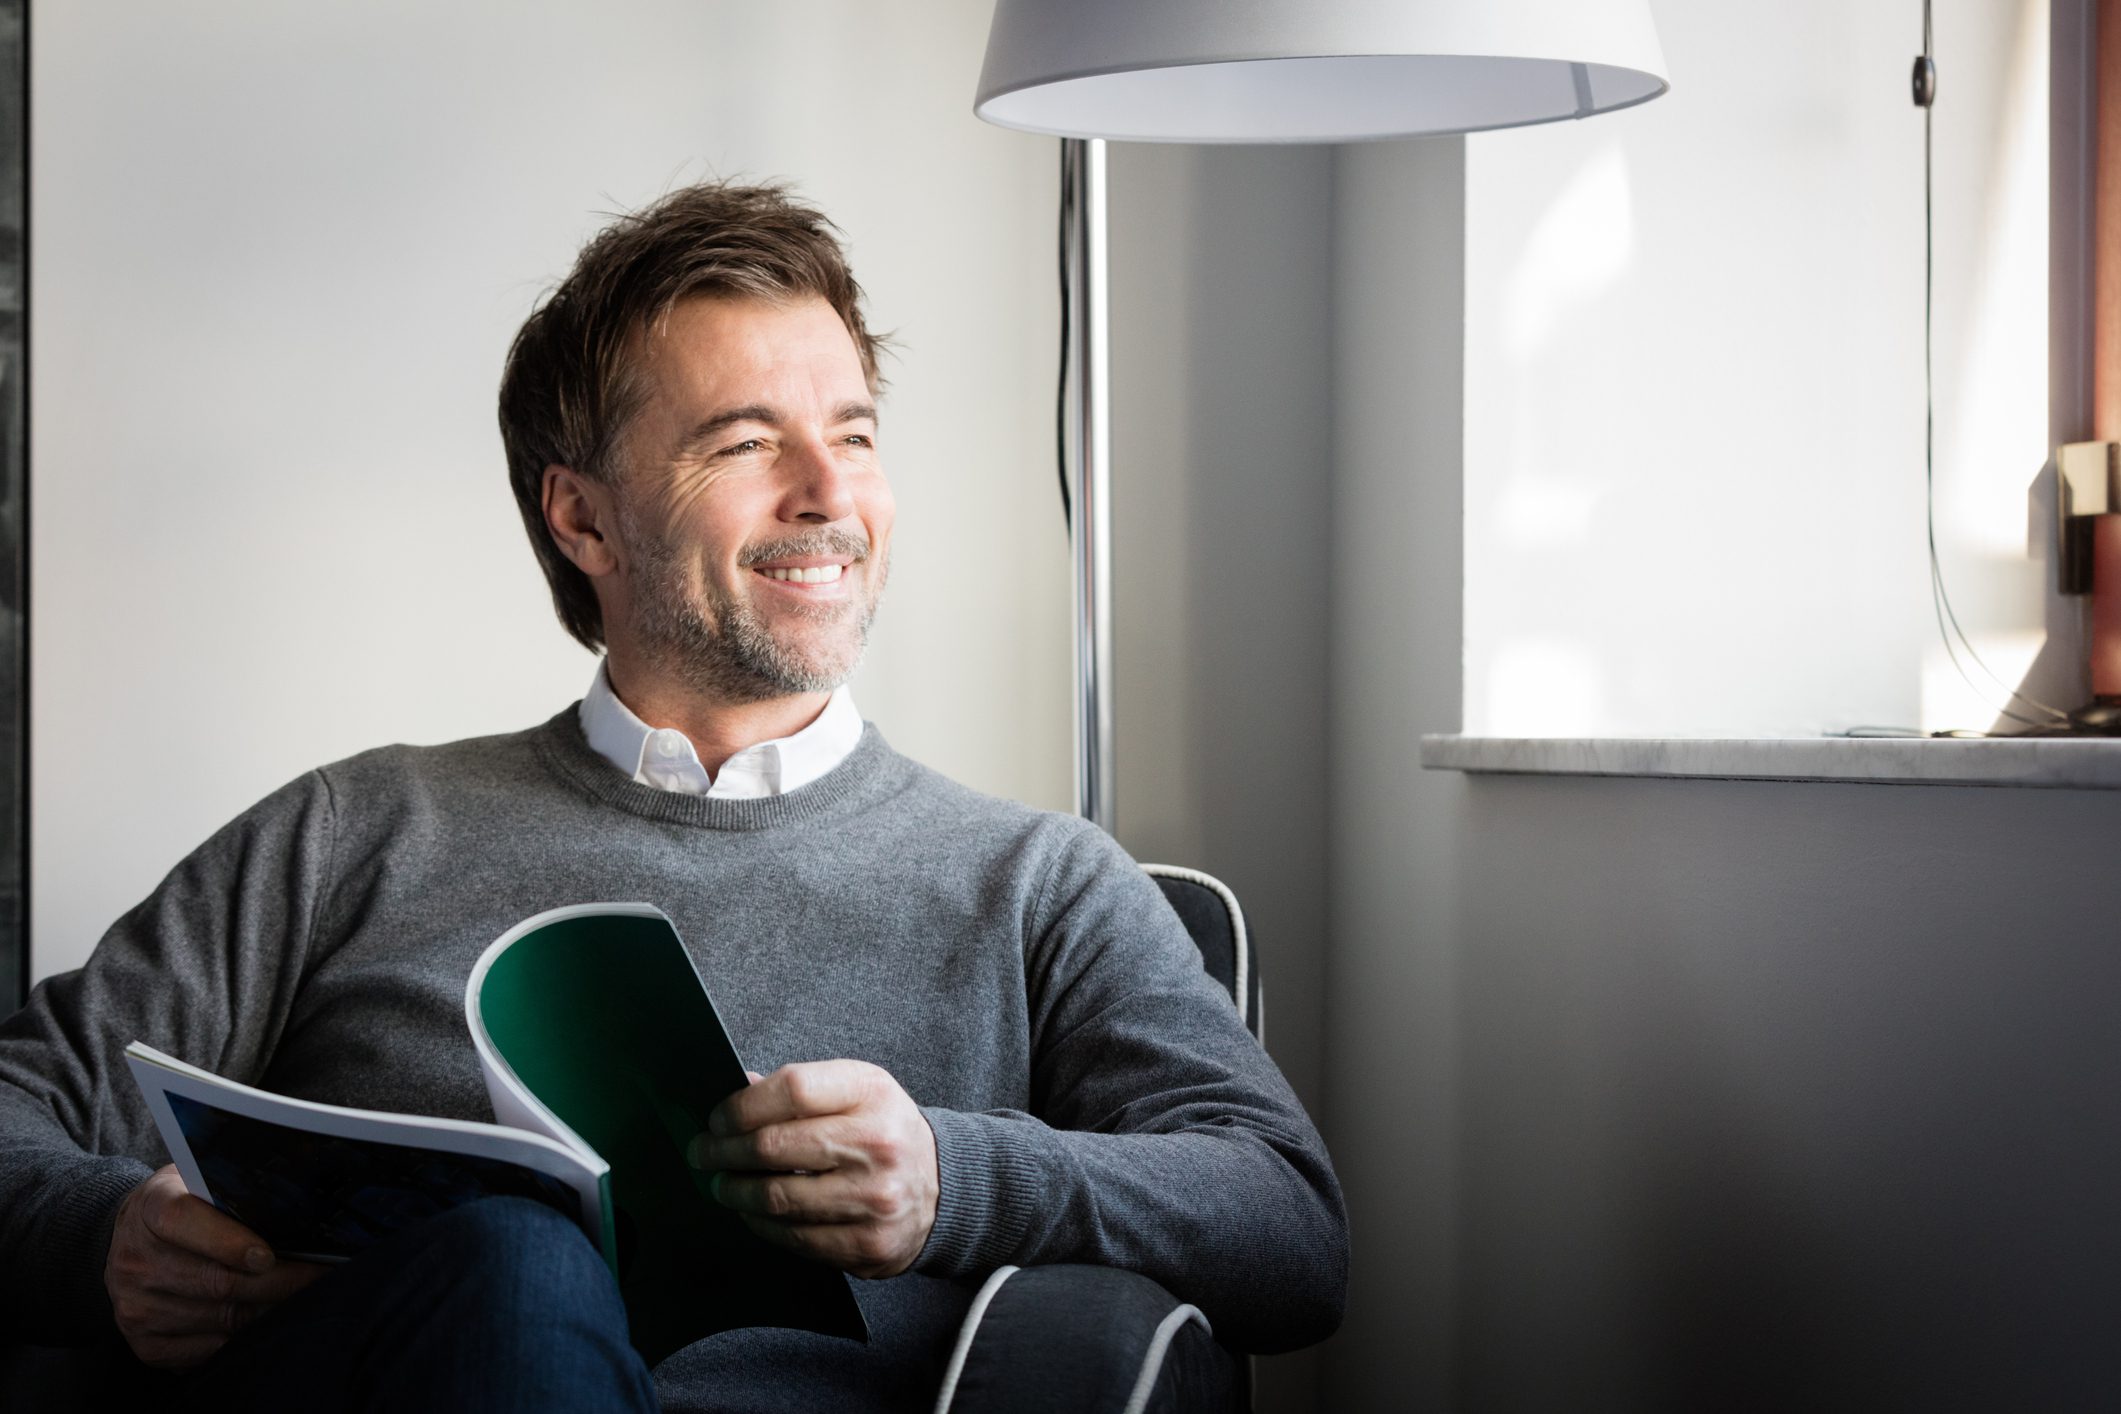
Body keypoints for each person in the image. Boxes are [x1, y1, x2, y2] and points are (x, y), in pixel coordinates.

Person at [0, 181, 1346, 1410]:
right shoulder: (355, 832)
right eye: (748, 442)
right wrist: (107, 1235)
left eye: (855, 434)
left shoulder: (1037, 881)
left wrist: (952, 1178)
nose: (831, 495)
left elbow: (1288, 1225)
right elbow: (19, 1103)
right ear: (581, 519)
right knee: (511, 1260)